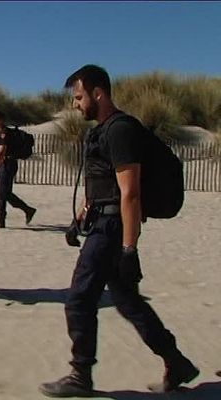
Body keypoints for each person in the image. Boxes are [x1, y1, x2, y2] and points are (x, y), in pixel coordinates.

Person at [39, 65, 198, 397]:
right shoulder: (100, 131)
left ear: (99, 93)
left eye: (80, 97)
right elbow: (101, 185)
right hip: (101, 221)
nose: (76, 104)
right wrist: (79, 217)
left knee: (80, 299)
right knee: (128, 302)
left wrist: (129, 250)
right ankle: (177, 362)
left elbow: (131, 192)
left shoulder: (121, 130)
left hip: (112, 228)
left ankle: (80, 374)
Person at [0, 111, 36, 228]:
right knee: (5, 193)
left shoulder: (4, 134)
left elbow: (1, 152)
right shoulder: (5, 133)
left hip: (7, 164)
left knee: (2, 193)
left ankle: (2, 219)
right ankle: (26, 210)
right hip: (9, 164)